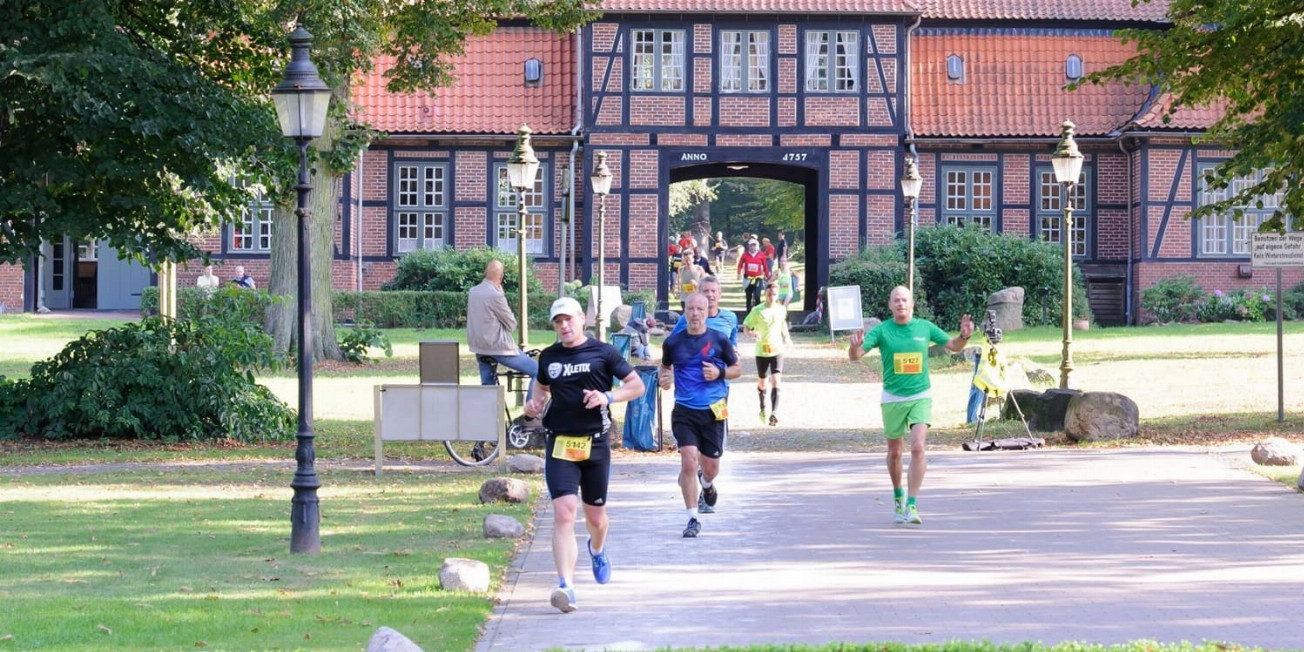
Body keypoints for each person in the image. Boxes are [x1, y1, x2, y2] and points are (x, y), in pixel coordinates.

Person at [524, 297, 644, 613]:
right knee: (564, 511)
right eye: (557, 322)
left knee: (596, 518)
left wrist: (607, 396)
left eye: (568, 320)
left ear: (581, 319)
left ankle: (598, 548)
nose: (563, 326)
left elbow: (636, 386)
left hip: (595, 444)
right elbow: (541, 386)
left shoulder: (603, 353)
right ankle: (566, 587)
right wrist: (534, 405)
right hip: (560, 442)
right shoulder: (549, 357)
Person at [848, 286, 974, 526]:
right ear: (890, 305)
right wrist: (854, 346)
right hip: (893, 397)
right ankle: (898, 495)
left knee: (918, 447)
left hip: (920, 395)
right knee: (895, 453)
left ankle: (912, 503)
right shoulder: (883, 330)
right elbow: (855, 356)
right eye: (896, 300)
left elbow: (954, 345)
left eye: (904, 299)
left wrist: (964, 335)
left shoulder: (924, 327)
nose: (900, 303)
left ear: (912, 304)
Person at [659, 293, 741, 538]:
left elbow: (737, 369)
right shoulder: (673, 343)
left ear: (708, 311)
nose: (695, 314)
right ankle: (692, 518)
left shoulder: (719, 340)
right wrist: (665, 378)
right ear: (685, 311)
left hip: (713, 411)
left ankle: (706, 485)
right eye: (690, 309)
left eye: (699, 309)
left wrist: (719, 373)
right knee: (689, 461)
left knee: (711, 467)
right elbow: (665, 367)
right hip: (684, 411)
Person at [467, 260, 538, 404]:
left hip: (479, 348)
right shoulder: (495, 295)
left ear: (485, 273)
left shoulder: (473, 292)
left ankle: (490, 419)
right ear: (500, 277)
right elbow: (511, 324)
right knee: (539, 372)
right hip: (499, 347)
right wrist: (501, 294)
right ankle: (532, 414)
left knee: (488, 388)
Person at [742, 283, 791, 426]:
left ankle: (774, 413)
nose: (771, 297)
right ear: (765, 294)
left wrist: (787, 338)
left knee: (776, 380)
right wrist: (751, 333)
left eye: (774, 294)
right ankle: (762, 406)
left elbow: (782, 324)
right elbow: (746, 326)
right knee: (763, 382)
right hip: (762, 351)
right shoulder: (757, 310)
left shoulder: (781, 309)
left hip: (777, 350)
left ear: (777, 295)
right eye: (769, 294)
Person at [669, 275, 738, 347]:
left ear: (720, 294)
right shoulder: (689, 318)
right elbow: (671, 342)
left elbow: (733, 342)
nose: (710, 295)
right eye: (706, 291)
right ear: (699, 293)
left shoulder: (730, 317)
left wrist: (735, 352)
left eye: (713, 291)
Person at [736, 239, 769, 314]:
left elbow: (765, 266)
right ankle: (748, 314)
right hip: (748, 279)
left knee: (757, 296)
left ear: (757, 246)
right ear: (749, 246)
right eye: (751, 245)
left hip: (758, 279)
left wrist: (768, 276)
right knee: (748, 297)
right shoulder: (745, 255)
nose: (753, 247)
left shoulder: (761, 255)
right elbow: (740, 265)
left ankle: (758, 314)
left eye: (754, 245)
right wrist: (738, 273)